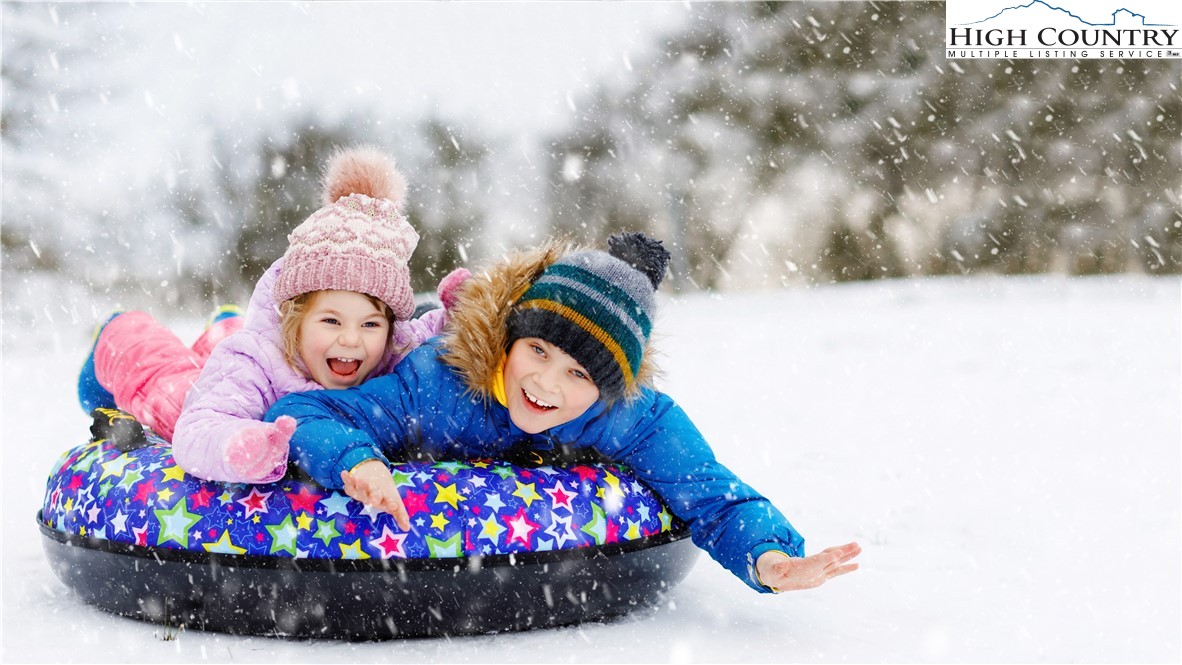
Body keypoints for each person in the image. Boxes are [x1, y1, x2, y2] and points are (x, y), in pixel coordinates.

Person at [266, 232, 860, 593]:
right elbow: (304, 409)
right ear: (510, 340)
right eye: (538, 350)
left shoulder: (633, 417)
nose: (545, 384)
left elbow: (705, 490)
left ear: (606, 388)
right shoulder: (437, 385)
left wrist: (769, 557)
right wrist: (355, 460)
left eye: (579, 374)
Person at [77, 146, 468, 484]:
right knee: (165, 379)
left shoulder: (387, 353)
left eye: (370, 324)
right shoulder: (255, 363)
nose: (352, 339)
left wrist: (465, 313)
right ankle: (115, 333)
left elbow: (419, 337)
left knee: (227, 338)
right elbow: (197, 431)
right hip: (211, 396)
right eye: (331, 321)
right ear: (294, 317)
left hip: (237, 356)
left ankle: (223, 325)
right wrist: (241, 446)